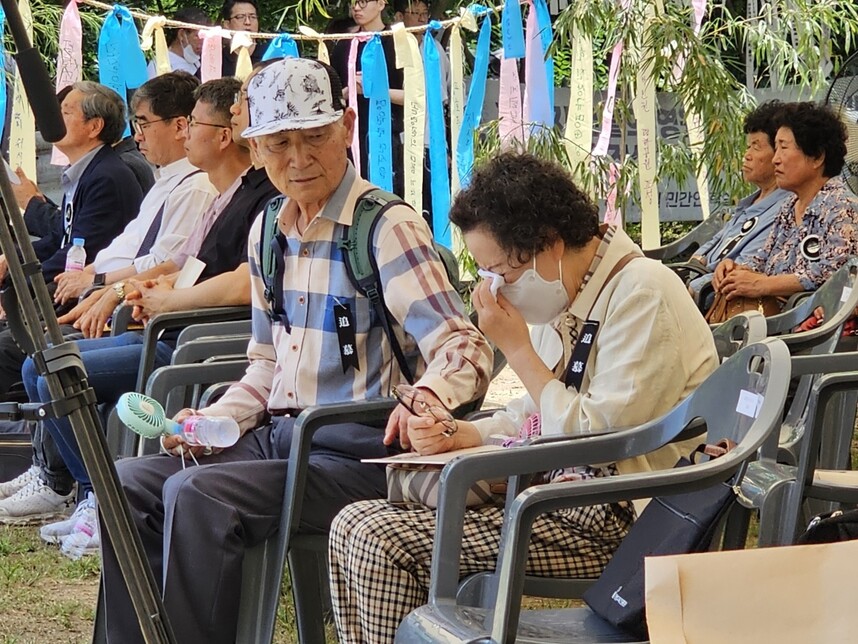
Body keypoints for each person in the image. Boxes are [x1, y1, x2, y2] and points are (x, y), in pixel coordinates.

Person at [98, 57, 492, 644]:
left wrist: (429, 398)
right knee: (127, 481)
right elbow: (265, 363)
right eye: (279, 143)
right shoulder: (268, 232)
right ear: (255, 148)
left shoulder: (385, 228)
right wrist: (212, 420)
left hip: (361, 452)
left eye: (314, 138)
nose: (299, 160)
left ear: (347, 128)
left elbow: (463, 342)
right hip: (284, 439)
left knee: (199, 493)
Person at [328, 151, 720, 643]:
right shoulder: (576, 292)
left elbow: (599, 436)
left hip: (617, 513)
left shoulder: (642, 293)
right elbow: (536, 410)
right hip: (557, 497)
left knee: (375, 538)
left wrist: (515, 347)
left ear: (548, 245)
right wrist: (462, 434)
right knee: (351, 522)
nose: (496, 289)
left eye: (501, 273)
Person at [5, 77, 279, 553]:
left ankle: (98, 496)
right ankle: (80, 488)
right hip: (163, 324)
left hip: (190, 339)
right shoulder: (221, 194)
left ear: (225, 135)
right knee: (46, 361)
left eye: (196, 123)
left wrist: (149, 296)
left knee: (52, 370)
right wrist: (130, 289)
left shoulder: (259, 198)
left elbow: (242, 280)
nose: (186, 132)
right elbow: (176, 264)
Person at [53, 71, 219, 339]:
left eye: (143, 124)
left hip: (134, 311)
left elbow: (164, 264)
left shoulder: (196, 187)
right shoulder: (166, 180)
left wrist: (99, 283)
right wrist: (89, 273)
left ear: (179, 127)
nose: (137, 136)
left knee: (40, 354)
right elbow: (129, 242)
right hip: (107, 292)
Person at [0, 82, 143, 289]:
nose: (55, 120)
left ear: (94, 126)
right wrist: (12, 260)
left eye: (65, 113)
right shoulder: (87, 170)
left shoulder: (106, 178)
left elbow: (79, 253)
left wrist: (17, 286)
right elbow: (61, 237)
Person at [713, 102, 858, 306]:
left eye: (783, 147)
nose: (776, 159)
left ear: (817, 157)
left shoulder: (842, 208)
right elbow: (761, 260)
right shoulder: (789, 207)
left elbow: (836, 274)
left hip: (811, 331)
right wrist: (736, 269)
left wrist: (765, 285)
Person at [687, 101, 791, 298]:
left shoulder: (784, 209)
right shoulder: (749, 203)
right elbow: (718, 239)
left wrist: (690, 287)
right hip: (698, 283)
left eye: (756, 147)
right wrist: (698, 259)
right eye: (747, 146)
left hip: (714, 298)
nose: (746, 156)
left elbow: (746, 268)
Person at [331, 0, 405, 193]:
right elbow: (331, 98)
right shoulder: (344, 44)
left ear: (381, 4)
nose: (356, 8)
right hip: (349, 135)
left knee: (386, 194)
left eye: (363, 2)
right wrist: (349, 92)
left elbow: (414, 96)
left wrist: (376, 90)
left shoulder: (397, 41)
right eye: (353, 3)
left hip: (387, 134)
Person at [392, 0, 450, 228]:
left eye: (424, 13)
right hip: (395, 139)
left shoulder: (433, 49)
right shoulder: (389, 46)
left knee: (427, 208)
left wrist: (443, 146)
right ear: (399, 16)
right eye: (414, 13)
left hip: (426, 142)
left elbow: (436, 100)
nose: (421, 18)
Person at [146, 7, 212, 78]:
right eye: (198, 36)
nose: (204, 41)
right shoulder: (162, 66)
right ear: (181, 35)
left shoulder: (194, 61)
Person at [220, 0, 268, 78]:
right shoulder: (217, 59)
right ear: (227, 24)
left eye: (253, 17)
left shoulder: (269, 56)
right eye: (240, 17)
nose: (248, 22)